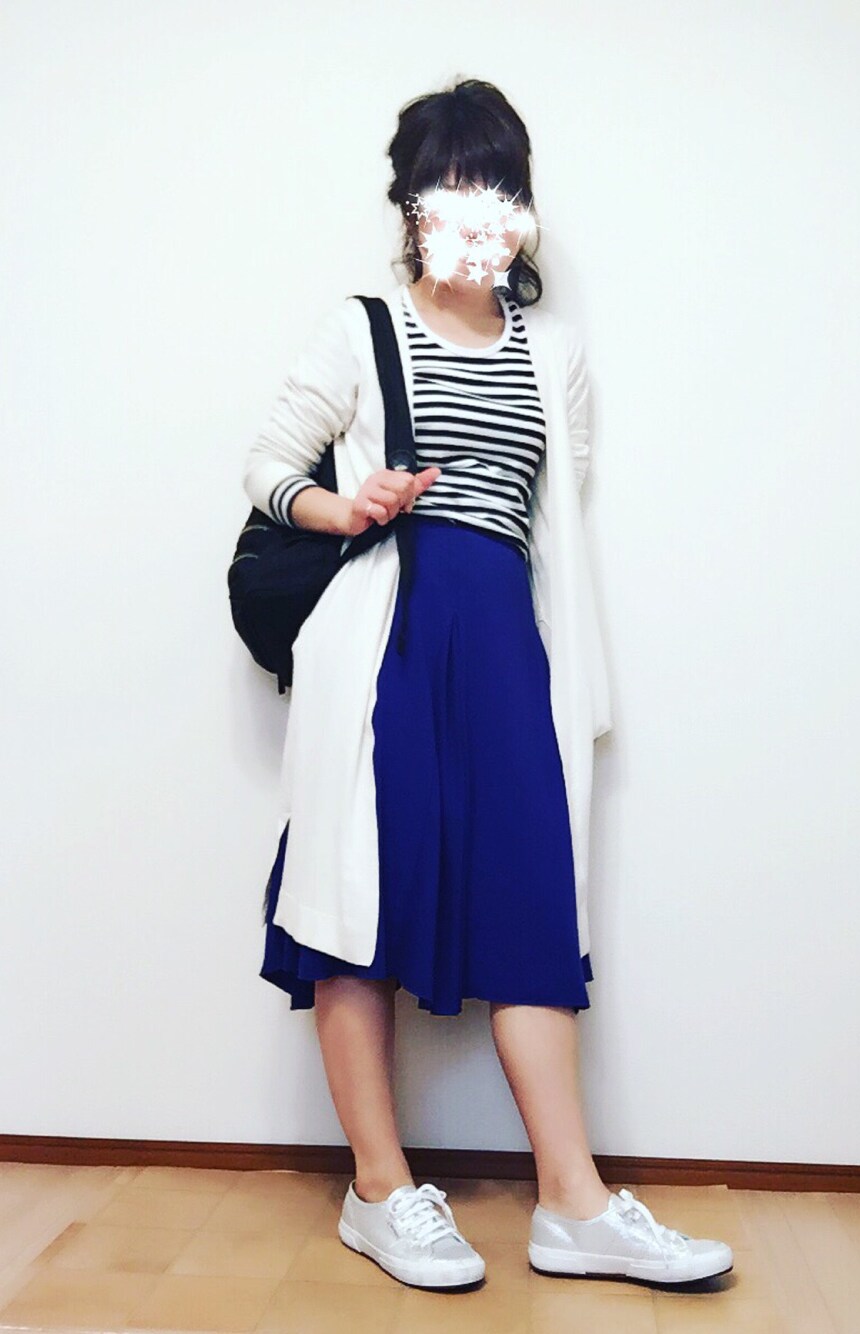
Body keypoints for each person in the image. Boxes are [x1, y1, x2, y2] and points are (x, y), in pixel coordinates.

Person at [242, 77, 734, 1292]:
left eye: (497, 187)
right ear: (412, 207)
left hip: (506, 639)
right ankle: (378, 1188)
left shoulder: (550, 352)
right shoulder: (360, 327)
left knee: (529, 903)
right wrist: (341, 503)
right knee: (359, 900)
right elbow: (267, 465)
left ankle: (573, 1203)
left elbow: (550, 515)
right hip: (386, 635)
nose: (476, 210)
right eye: (451, 186)